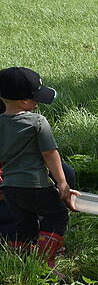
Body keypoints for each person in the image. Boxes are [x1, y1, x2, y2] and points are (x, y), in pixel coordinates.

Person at [0, 67, 77, 272]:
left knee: (25, 225)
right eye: (36, 99)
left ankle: (21, 261)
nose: (38, 103)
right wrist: (62, 183)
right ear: (25, 102)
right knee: (56, 216)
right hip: (34, 184)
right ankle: (46, 262)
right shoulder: (37, 122)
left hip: (9, 187)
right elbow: (49, 153)